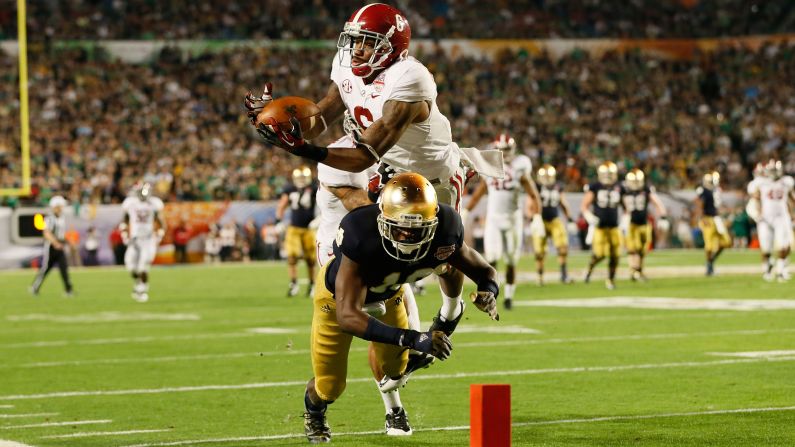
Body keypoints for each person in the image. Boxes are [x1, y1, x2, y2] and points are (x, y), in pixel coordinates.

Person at [244, 2, 502, 342]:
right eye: (355, 40)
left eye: (368, 41)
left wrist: (301, 149)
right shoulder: (347, 65)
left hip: (430, 172)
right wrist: (280, 123)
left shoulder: (409, 79)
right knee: (373, 221)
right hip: (388, 163)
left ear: (391, 47)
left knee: (442, 251)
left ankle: (451, 306)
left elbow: (362, 156)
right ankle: (377, 289)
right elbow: (321, 117)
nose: (358, 49)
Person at [302, 173, 499, 443]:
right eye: (400, 228)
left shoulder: (446, 228)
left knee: (397, 366)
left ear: (433, 222)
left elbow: (482, 269)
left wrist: (490, 290)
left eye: (417, 229)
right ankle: (315, 411)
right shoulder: (361, 232)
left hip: (390, 294)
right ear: (382, 219)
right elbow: (348, 316)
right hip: (336, 301)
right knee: (330, 385)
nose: (407, 236)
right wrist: (414, 338)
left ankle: (393, 402)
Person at [463, 134, 540, 308]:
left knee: (512, 260)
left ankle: (509, 297)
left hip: (513, 218)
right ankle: (492, 293)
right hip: (494, 219)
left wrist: (537, 215)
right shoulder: (490, 167)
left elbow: (533, 193)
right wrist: (467, 210)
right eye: (502, 150)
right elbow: (480, 191)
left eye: (507, 150)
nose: (505, 153)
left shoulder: (521, 167)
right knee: (492, 257)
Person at [746, 160, 794, 281]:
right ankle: (767, 269)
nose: (773, 173)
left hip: (781, 217)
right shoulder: (761, 183)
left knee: (783, 245)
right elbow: (755, 198)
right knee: (766, 248)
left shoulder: (786, 182)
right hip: (765, 218)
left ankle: (780, 270)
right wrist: (757, 212)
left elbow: (791, 199)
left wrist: (792, 214)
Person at [276, 166, 318, 297]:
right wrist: (278, 220)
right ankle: (294, 284)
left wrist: (319, 219)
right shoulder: (290, 188)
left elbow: (323, 205)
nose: (301, 180)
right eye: (299, 177)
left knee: (311, 259)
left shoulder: (315, 188)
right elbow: (282, 204)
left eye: (303, 177)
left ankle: (312, 285)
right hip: (294, 228)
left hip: (309, 229)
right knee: (292, 256)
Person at [121, 182, 166, 302]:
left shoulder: (153, 204)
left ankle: (143, 289)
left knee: (143, 267)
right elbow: (124, 220)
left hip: (148, 239)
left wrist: (160, 234)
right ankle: (138, 283)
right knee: (130, 266)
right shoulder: (130, 203)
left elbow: (160, 222)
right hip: (134, 240)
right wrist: (124, 233)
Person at [621, 168, 668, 281]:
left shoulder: (646, 189)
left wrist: (663, 217)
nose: (636, 184)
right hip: (630, 224)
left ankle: (639, 270)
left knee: (643, 250)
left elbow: (657, 202)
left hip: (644, 223)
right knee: (633, 249)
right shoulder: (623, 190)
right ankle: (634, 270)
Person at [581, 161, 622, 289]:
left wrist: (626, 219)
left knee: (615, 255)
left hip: (614, 227)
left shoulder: (620, 187)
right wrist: (589, 217)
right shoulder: (595, 186)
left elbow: (626, 205)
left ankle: (610, 280)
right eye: (606, 174)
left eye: (610, 174)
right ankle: (589, 268)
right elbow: (584, 205)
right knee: (600, 254)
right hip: (600, 228)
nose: (608, 177)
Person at [533, 163, 575, 285]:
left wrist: (570, 218)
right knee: (539, 252)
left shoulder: (557, 187)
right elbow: (530, 203)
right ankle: (540, 276)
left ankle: (564, 275)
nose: (547, 179)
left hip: (555, 220)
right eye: (544, 176)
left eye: (549, 176)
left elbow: (562, 202)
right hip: (540, 221)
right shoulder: (536, 187)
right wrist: (533, 218)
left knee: (563, 248)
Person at [30, 196, 74, 297]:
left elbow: (61, 234)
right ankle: (35, 287)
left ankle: (69, 290)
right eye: (60, 206)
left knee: (64, 268)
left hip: (60, 246)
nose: (62, 208)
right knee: (46, 268)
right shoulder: (49, 218)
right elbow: (46, 233)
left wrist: (67, 241)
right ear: (55, 207)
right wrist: (55, 243)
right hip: (51, 247)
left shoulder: (61, 218)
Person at [694, 170, 732, 276]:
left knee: (726, 242)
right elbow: (698, 203)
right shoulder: (704, 191)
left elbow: (716, 206)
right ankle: (709, 268)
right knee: (709, 245)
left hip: (716, 218)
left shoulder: (714, 191)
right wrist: (702, 218)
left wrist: (727, 211)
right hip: (707, 218)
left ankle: (710, 262)